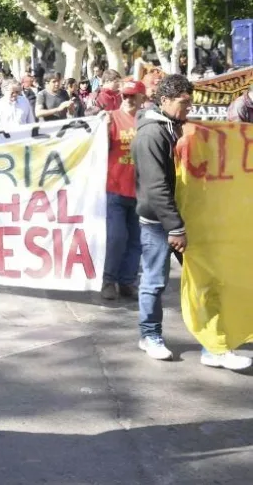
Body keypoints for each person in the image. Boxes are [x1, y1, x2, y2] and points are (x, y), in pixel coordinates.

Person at [132, 74, 251, 370]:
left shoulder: (174, 126)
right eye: (184, 103)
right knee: (155, 281)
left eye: (191, 102)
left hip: (183, 218)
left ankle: (213, 346)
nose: (189, 108)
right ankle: (150, 336)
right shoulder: (151, 135)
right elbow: (156, 187)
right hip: (160, 223)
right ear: (165, 101)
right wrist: (175, 228)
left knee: (205, 279)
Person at [101, 80, 145, 301]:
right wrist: (105, 130)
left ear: (141, 97)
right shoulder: (111, 118)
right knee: (117, 237)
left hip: (141, 190)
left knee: (136, 240)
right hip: (115, 188)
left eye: (132, 96)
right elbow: (100, 149)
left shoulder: (147, 120)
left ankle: (127, 282)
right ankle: (109, 280)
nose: (128, 99)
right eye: (125, 96)